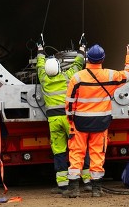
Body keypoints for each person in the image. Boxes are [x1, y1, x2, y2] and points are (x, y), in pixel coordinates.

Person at [63, 43, 129, 198]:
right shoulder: (110, 76)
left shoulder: (77, 77)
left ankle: (74, 189)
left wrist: (70, 119)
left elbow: (69, 102)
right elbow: (128, 74)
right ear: (103, 59)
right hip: (101, 122)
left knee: (76, 153)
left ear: (87, 58)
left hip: (80, 122)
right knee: (97, 154)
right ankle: (96, 189)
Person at [36, 36, 92, 195]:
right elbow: (78, 63)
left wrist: (40, 48)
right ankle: (87, 182)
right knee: (79, 148)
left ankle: (63, 185)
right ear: (59, 67)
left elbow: (40, 63)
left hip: (54, 121)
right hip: (69, 118)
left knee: (59, 151)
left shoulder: (44, 79)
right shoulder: (68, 77)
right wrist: (82, 47)